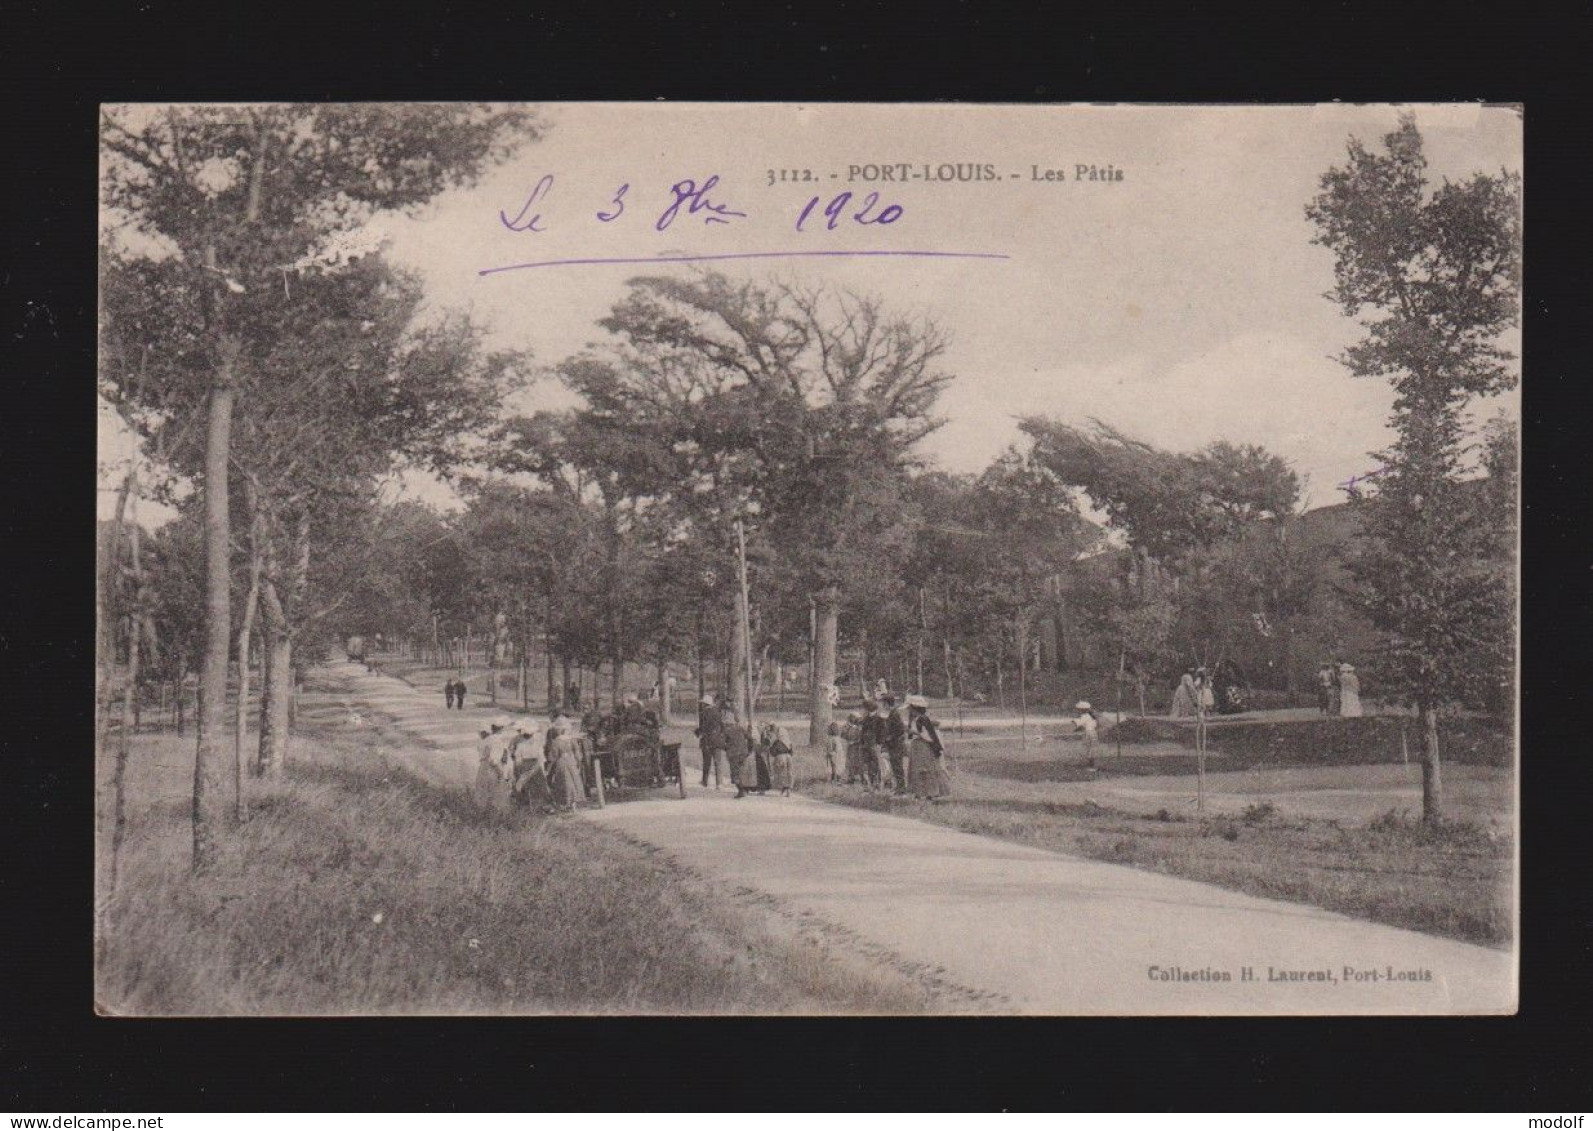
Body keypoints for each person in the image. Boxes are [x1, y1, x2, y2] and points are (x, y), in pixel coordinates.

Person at [905, 695, 951, 801]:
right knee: (918, 769)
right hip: (917, 747)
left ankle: (930, 793)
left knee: (925, 769)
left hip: (923, 747)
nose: (909, 711)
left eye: (910, 708)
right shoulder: (915, 719)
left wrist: (914, 732)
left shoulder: (923, 719)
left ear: (914, 708)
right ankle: (920, 792)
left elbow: (928, 736)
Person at [545, 716, 585, 813]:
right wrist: (578, 762)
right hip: (571, 761)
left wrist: (548, 769)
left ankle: (566, 803)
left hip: (561, 762)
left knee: (564, 782)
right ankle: (574, 804)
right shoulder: (572, 740)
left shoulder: (556, 742)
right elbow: (577, 753)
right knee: (574, 781)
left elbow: (553, 757)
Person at [882, 694, 908, 796]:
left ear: (887, 704)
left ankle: (901, 789)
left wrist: (890, 737)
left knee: (898, 767)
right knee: (895, 766)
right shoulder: (892, 713)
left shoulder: (895, 714)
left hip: (896, 745)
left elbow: (900, 730)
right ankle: (899, 787)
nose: (883, 706)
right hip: (893, 745)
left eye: (884, 704)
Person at [726, 717, 757, 799]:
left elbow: (723, 743)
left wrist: (727, 749)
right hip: (743, 753)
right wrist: (749, 749)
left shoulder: (727, 731)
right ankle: (744, 789)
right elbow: (750, 738)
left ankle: (741, 790)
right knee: (742, 772)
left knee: (735, 773)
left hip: (733, 755)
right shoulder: (741, 729)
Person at [763, 722, 795, 796]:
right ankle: (789, 788)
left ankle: (784, 787)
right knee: (789, 773)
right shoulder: (789, 742)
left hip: (780, 757)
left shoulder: (778, 742)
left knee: (781, 773)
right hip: (789, 757)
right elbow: (792, 752)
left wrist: (770, 748)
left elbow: (773, 752)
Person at [1073, 700, 1100, 769]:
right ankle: (1092, 764)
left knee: (1088, 748)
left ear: (1081, 710)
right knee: (1092, 748)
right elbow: (1096, 725)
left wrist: (1075, 729)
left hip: (1087, 733)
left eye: (1078, 709)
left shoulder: (1084, 716)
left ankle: (1091, 765)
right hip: (1093, 732)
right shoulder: (1092, 716)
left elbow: (1080, 726)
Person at [824, 718, 845, 783]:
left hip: (835, 754)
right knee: (832, 766)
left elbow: (837, 748)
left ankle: (836, 778)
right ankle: (834, 777)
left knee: (835, 766)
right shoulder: (830, 738)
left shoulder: (834, 739)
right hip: (831, 753)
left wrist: (831, 752)